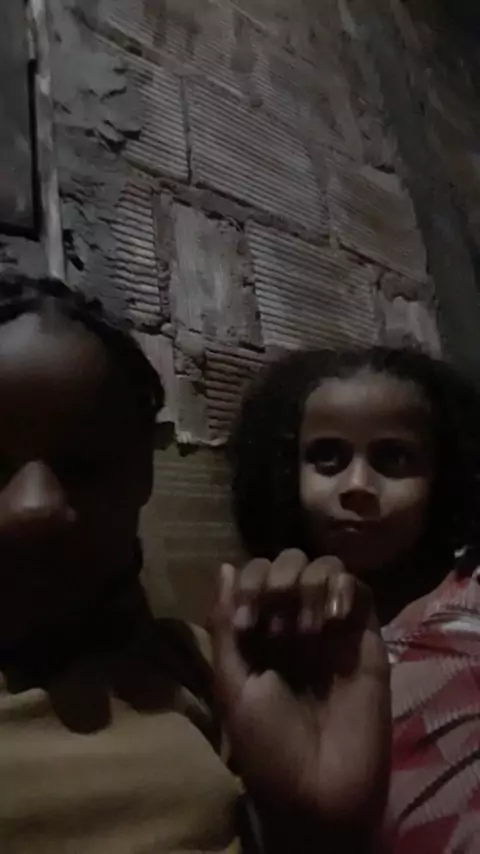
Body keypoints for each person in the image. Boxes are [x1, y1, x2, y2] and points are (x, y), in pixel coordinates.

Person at [0, 275, 390, 854]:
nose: (34, 507)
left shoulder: (219, 669)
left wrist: (318, 831)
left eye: (85, 467)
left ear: (142, 473)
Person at [230, 346, 480, 852]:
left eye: (395, 458)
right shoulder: (275, 632)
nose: (358, 486)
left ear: (444, 476)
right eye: (327, 458)